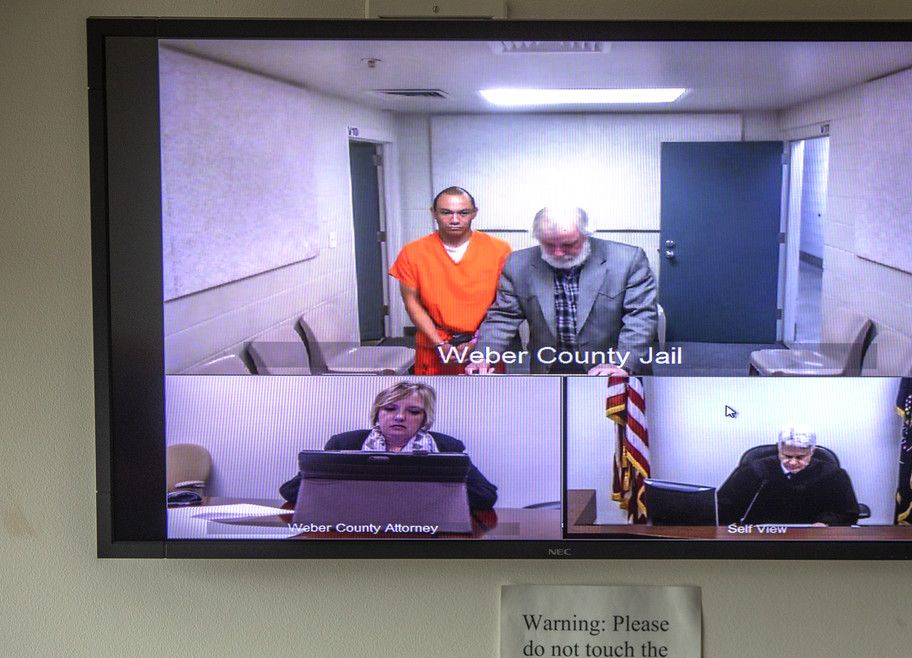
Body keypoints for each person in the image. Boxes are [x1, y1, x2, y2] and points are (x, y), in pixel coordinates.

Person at [466, 206, 658, 375]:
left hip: (610, 365)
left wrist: (621, 364)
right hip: (549, 365)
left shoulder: (628, 259)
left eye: (569, 244)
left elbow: (640, 316)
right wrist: (483, 356)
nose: (558, 253)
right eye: (549, 244)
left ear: (586, 234)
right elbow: (503, 316)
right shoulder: (518, 263)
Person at [278, 381, 497, 511]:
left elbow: (486, 496)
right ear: (377, 414)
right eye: (390, 409)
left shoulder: (447, 446)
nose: (400, 417)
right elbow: (291, 492)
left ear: (425, 418)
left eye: (413, 412)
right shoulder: (345, 443)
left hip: (424, 523)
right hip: (358, 523)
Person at [389, 187, 511, 375]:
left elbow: (504, 303)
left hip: (484, 345)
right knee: (432, 401)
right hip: (433, 345)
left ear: (474, 213)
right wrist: (440, 343)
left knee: (488, 400)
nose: (455, 220)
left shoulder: (498, 249)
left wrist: (477, 342)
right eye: (446, 213)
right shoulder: (413, 252)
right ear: (434, 213)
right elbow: (411, 302)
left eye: (463, 213)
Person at [716, 426, 860, 526]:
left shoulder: (831, 474)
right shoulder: (753, 471)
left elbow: (848, 512)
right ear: (778, 449)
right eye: (787, 455)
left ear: (812, 451)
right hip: (759, 538)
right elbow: (724, 506)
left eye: (800, 457)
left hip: (813, 539)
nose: (792, 462)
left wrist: (825, 523)